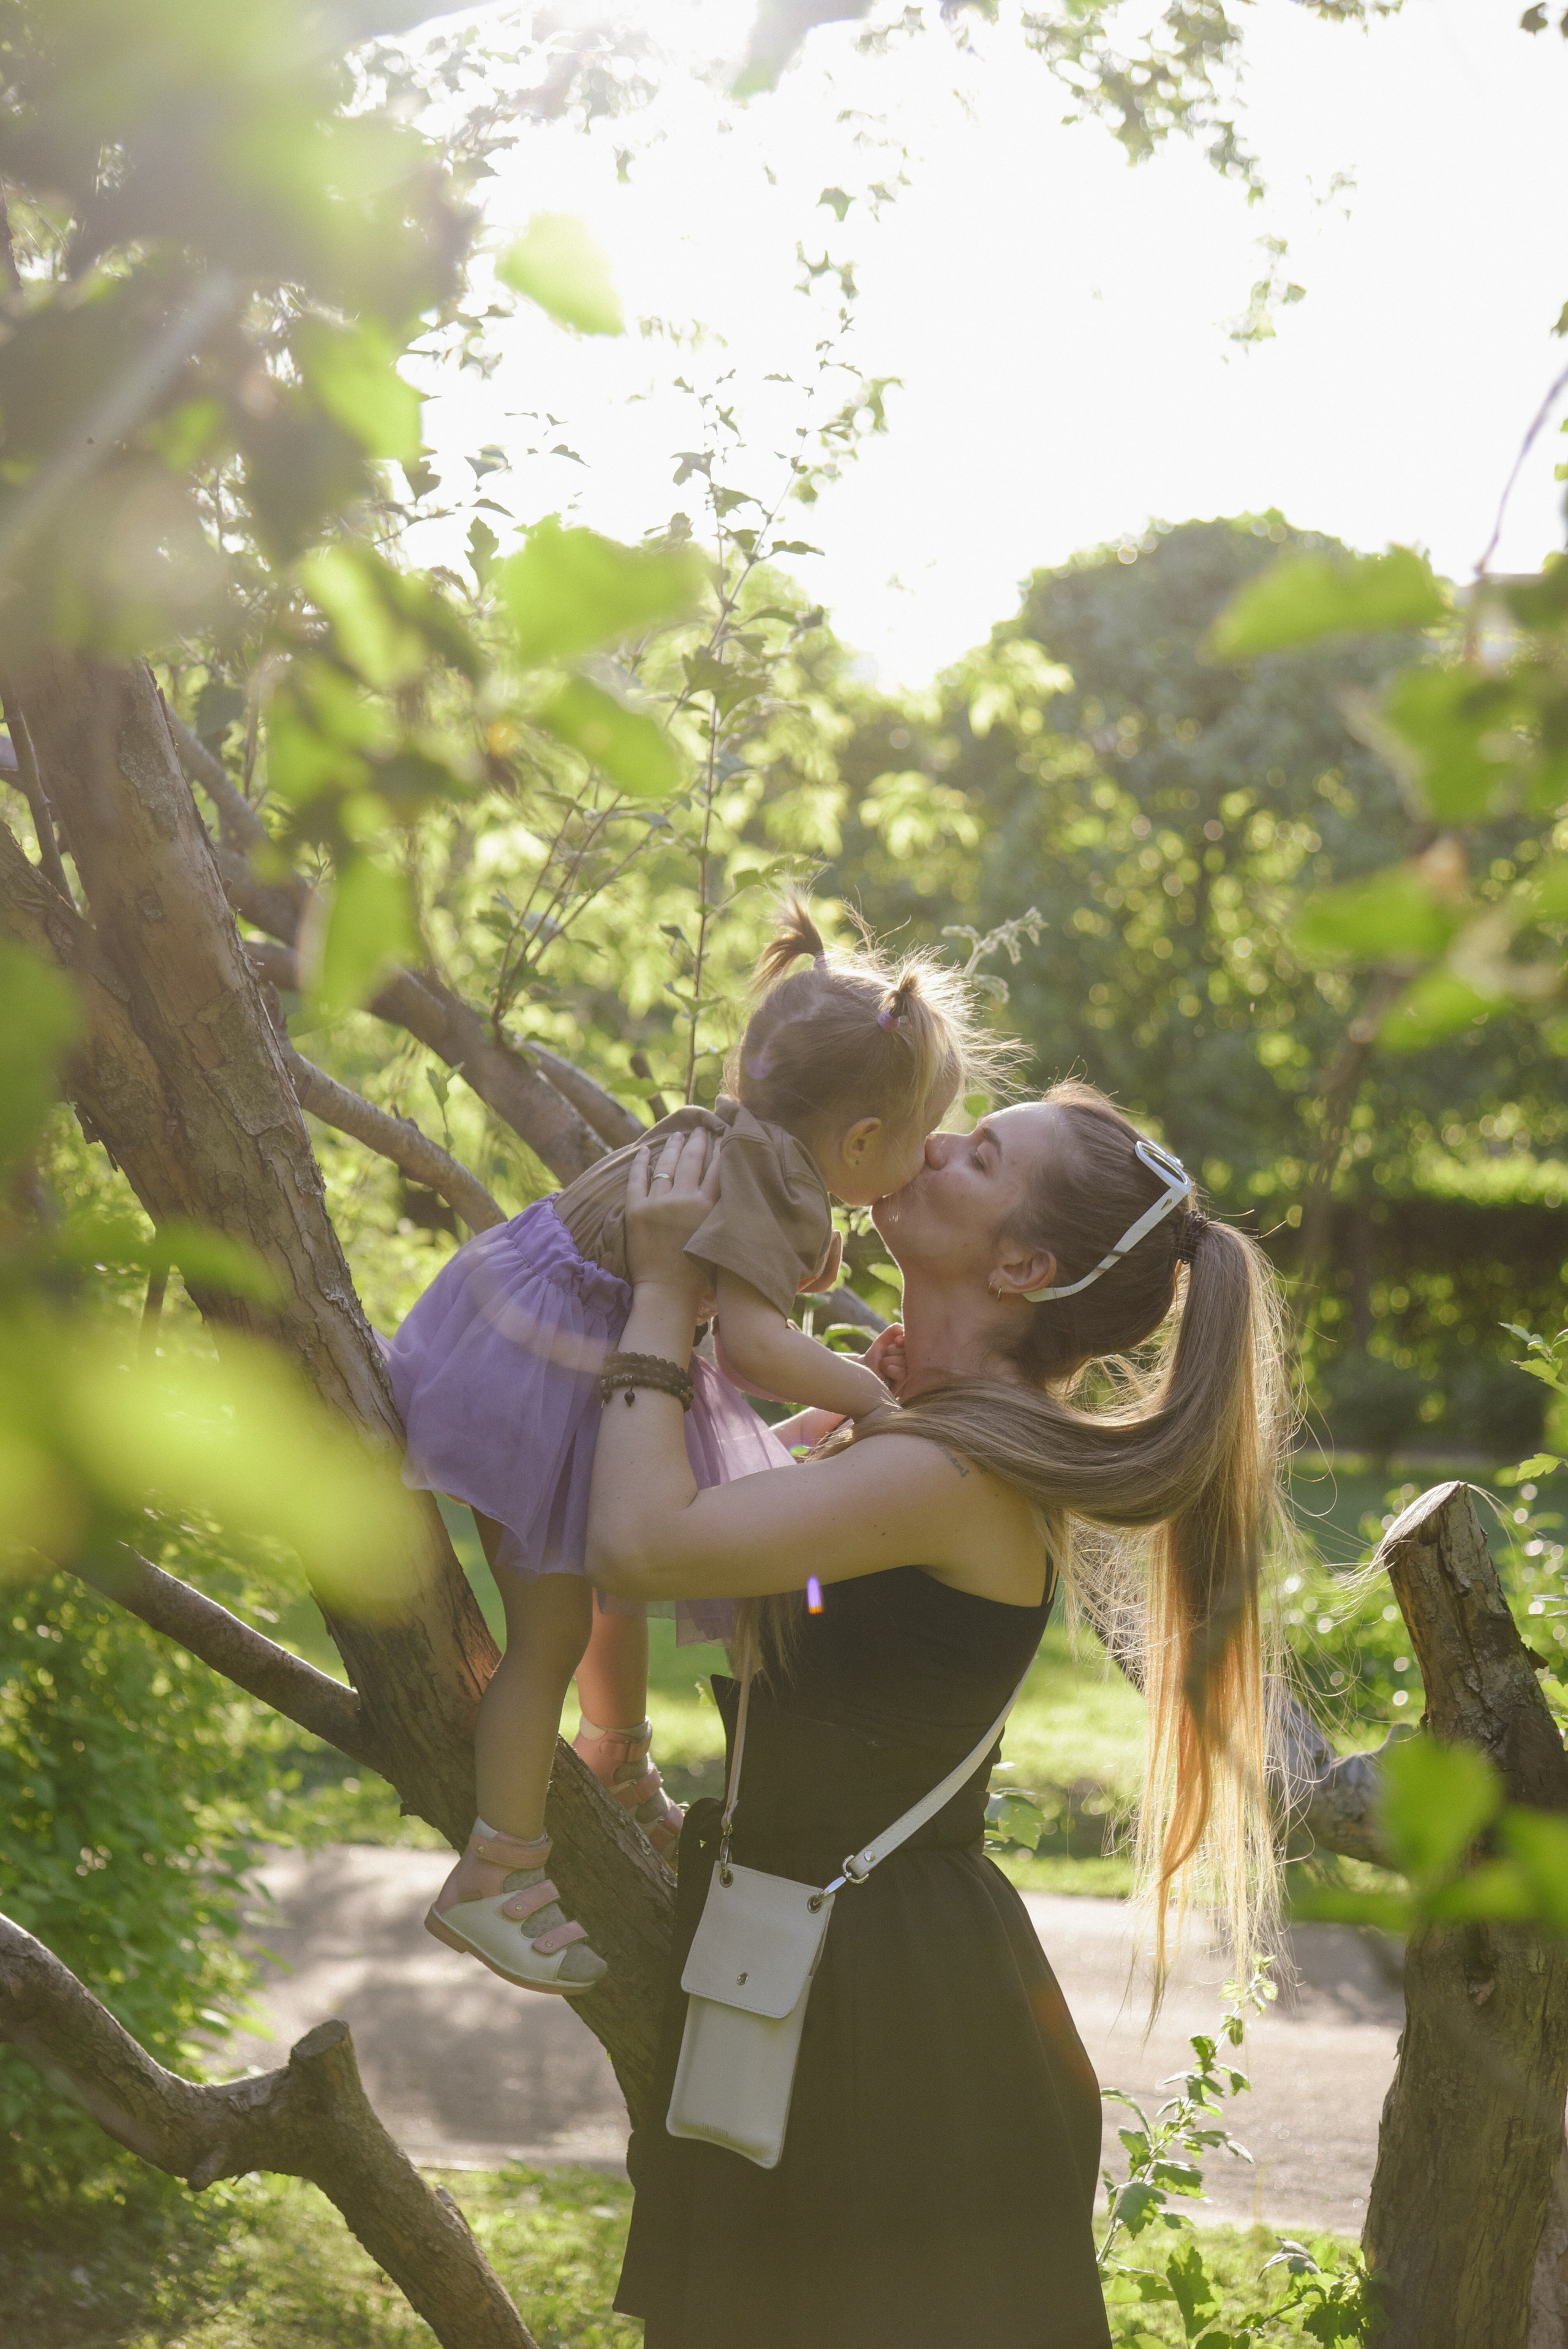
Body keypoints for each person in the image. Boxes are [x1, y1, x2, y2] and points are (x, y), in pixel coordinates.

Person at [584, 1080, 1289, 2349]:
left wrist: (658, 1288)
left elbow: (640, 1544)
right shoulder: (927, 1442)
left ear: (1021, 1265)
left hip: (881, 2020)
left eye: (981, 1153)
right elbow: (768, 1577)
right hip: (844, 1974)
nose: (936, 1141)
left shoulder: (950, 1470)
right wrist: (830, 1417)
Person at [386, 900, 1001, 1996]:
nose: (921, 1166)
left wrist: (820, 1377)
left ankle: (616, 1758)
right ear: (861, 1142)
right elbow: (755, 1350)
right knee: (550, 1630)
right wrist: (869, 1397)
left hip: (534, 1348)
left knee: (611, 1588)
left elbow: (730, 1340)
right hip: (543, 1380)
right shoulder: (778, 1183)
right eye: (917, 1144)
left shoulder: (739, 1141)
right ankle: (496, 1871)